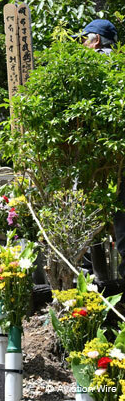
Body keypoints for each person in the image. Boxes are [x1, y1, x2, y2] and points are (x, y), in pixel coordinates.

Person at [75, 19, 125, 278]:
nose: (82, 43)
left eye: (85, 38)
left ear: (95, 40)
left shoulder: (92, 66)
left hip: (101, 162)